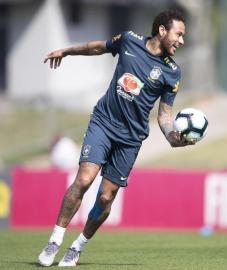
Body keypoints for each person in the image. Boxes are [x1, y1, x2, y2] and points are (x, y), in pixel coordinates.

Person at [38, 10, 193, 267]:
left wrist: (172, 137)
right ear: (162, 31)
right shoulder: (130, 40)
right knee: (84, 179)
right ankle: (55, 239)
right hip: (103, 122)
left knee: (105, 198)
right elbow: (97, 47)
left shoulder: (172, 72)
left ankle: (77, 247)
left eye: (184, 36)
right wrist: (66, 51)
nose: (182, 41)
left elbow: (165, 116)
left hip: (130, 139)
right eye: (179, 34)